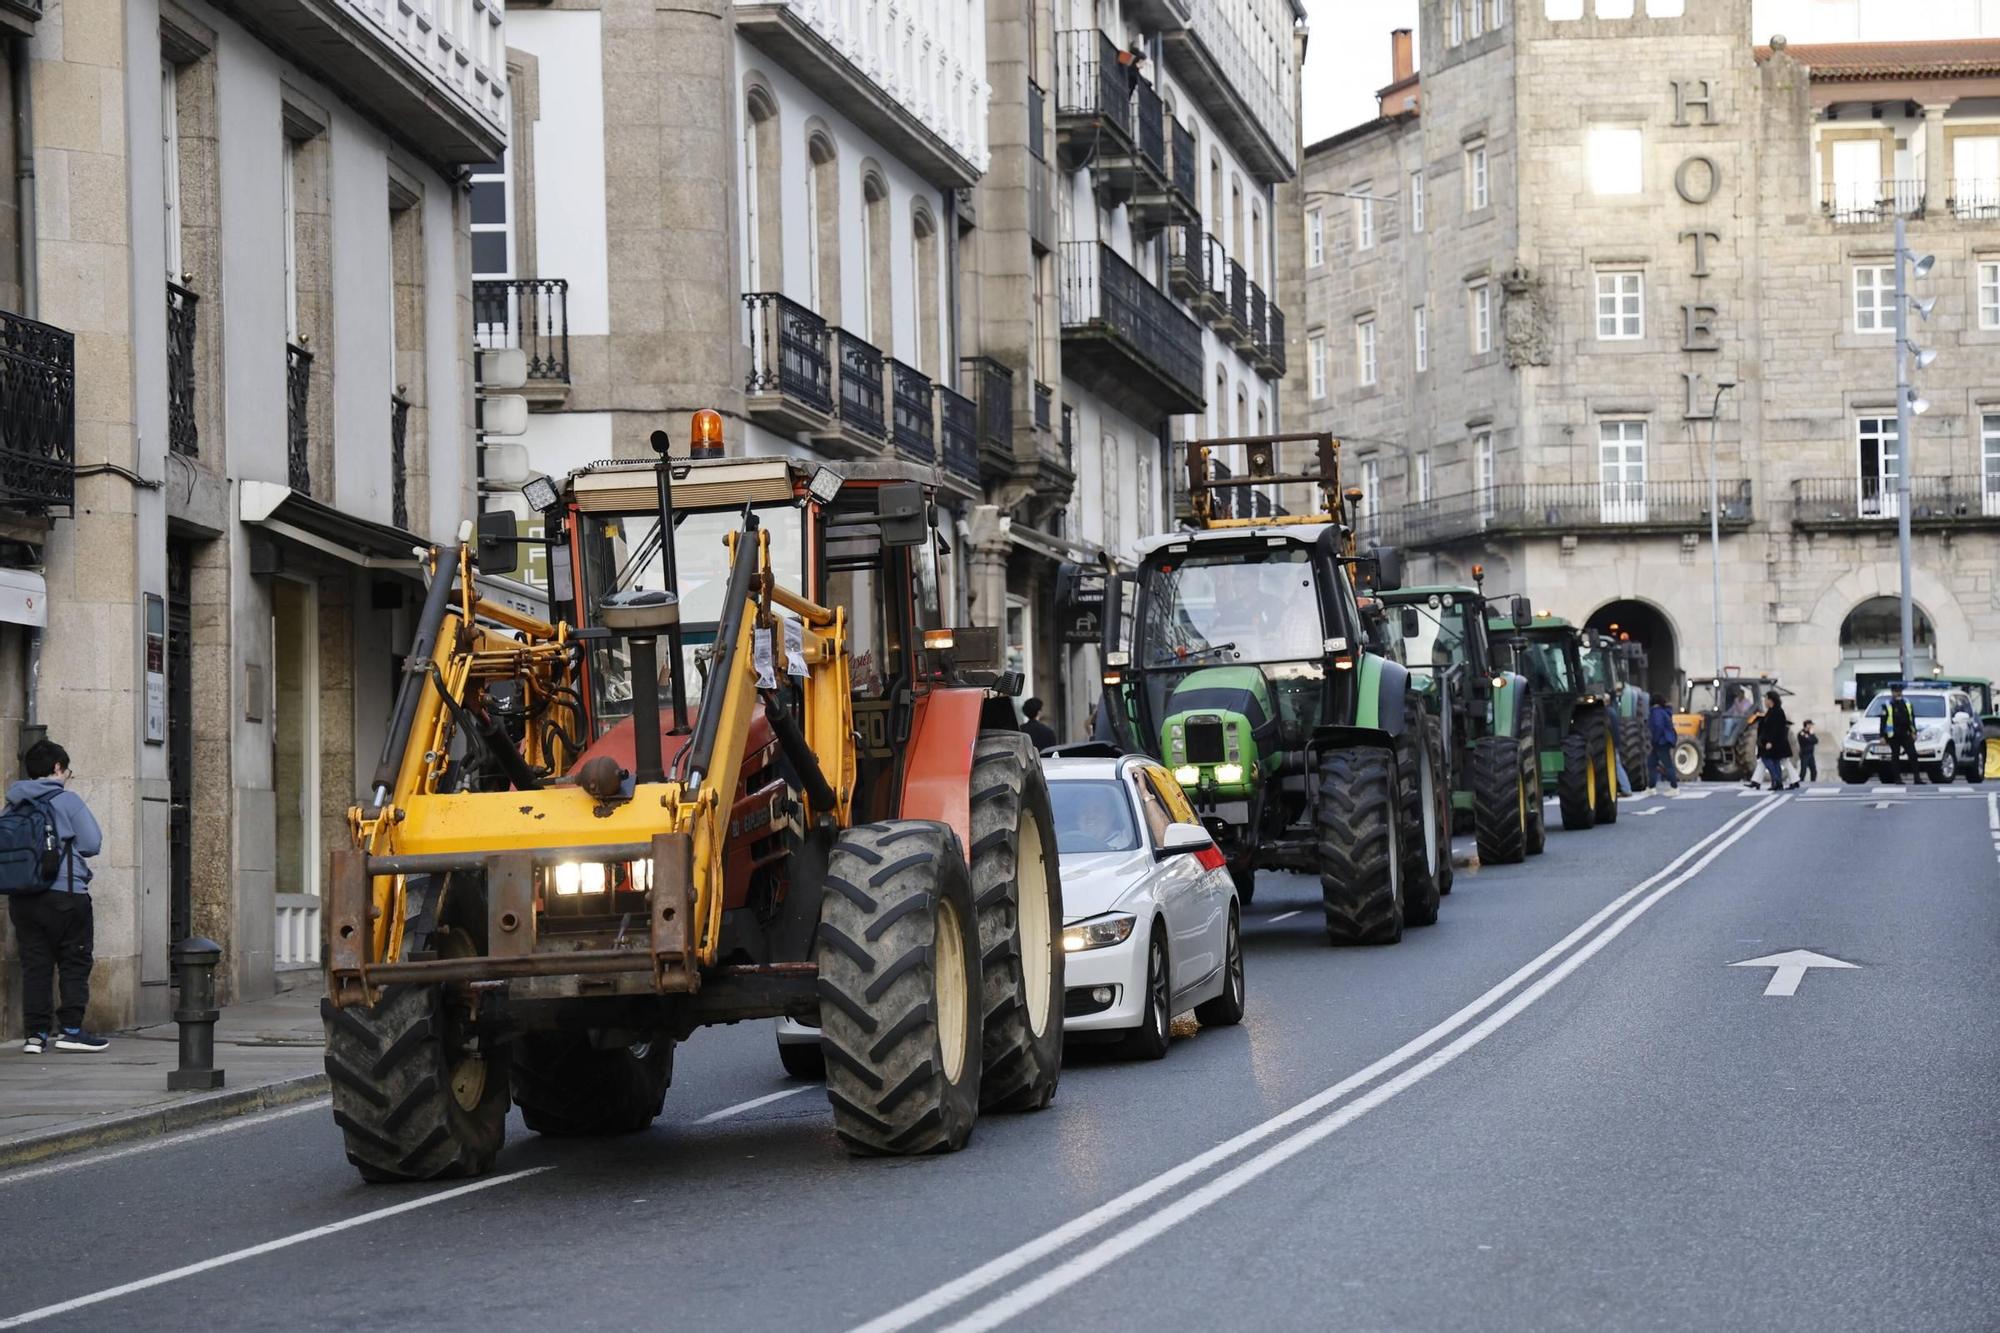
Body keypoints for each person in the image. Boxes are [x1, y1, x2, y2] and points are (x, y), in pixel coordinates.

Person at [7, 739, 107, 1055]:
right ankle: (72, 1031)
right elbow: (92, 843)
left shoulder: (12, 805)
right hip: (66, 894)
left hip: (22, 897)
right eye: (67, 770)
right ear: (57, 768)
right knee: (74, 961)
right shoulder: (67, 801)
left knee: (35, 965)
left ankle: (35, 1035)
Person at [1749, 690, 1791, 790]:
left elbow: (1775, 728)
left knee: (1767, 759)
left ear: (1770, 700)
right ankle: (1777, 783)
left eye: (1766, 699)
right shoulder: (1771, 711)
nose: (1764, 701)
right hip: (1772, 741)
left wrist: (1770, 741)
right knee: (1775, 761)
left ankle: (1776, 780)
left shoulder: (1777, 712)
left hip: (1774, 742)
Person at [1882, 682, 1922, 784]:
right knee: (1895, 757)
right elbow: (1883, 721)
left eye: (1899, 691)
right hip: (1893, 735)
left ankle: (1917, 778)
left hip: (1905, 733)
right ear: (1892, 692)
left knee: (1913, 755)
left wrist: (1914, 732)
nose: (1898, 694)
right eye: (1896, 692)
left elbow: (1911, 719)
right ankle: (1897, 779)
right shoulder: (1887, 705)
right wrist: (1882, 736)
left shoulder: (1907, 704)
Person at [1648, 698, 1680, 789]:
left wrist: (1655, 740)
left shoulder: (1656, 712)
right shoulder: (1664, 711)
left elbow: (1658, 726)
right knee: (1651, 763)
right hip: (1664, 741)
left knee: (1667, 764)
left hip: (1661, 742)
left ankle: (1674, 787)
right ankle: (1651, 787)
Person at [1797, 720, 1818, 784]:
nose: (1812, 726)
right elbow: (1808, 740)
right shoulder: (1801, 733)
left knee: (1813, 770)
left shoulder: (1810, 733)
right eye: (1811, 725)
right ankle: (1800, 782)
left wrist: (1811, 735)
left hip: (1811, 754)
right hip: (1804, 754)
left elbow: (1816, 741)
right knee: (1803, 770)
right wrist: (1810, 736)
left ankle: (1813, 782)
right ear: (1807, 725)